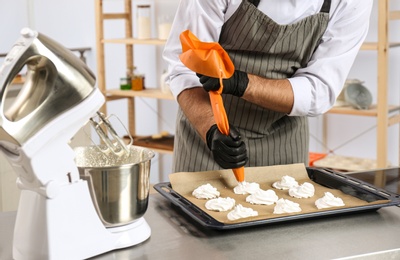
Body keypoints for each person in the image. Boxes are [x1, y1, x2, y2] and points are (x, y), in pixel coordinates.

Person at [163, 0, 373, 173]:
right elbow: (184, 68)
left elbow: (320, 90)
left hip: (284, 140)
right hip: (207, 134)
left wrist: (242, 83)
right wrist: (210, 130)